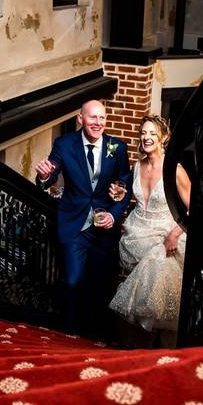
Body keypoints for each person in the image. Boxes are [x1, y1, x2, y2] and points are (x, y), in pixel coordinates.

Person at [34, 100, 132, 339]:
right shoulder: (64, 144)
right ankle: (67, 333)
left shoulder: (117, 147)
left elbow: (124, 187)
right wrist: (44, 177)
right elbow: (50, 176)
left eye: (102, 118)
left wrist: (113, 213)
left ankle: (94, 337)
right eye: (92, 118)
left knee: (99, 285)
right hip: (74, 224)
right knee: (71, 281)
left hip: (103, 228)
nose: (98, 123)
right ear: (80, 118)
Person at [108, 114, 191, 347]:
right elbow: (139, 201)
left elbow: (194, 209)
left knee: (156, 289)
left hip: (164, 237)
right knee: (135, 297)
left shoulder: (174, 169)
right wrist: (122, 195)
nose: (147, 137)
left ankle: (157, 349)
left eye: (152, 133)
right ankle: (134, 349)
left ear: (163, 137)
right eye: (144, 132)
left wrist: (175, 234)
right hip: (135, 234)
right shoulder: (137, 165)